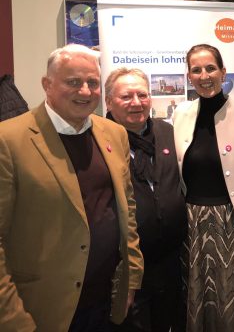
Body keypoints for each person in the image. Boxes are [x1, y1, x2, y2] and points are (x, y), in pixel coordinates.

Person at [0, 44, 143, 332]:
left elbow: (126, 210)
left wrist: (131, 278)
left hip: (106, 303)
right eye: (73, 82)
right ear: (47, 84)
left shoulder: (114, 133)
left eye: (92, 82)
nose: (85, 91)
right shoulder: (8, 141)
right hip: (40, 310)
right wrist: (13, 319)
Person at [173, 43, 234, 332]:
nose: (204, 76)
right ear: (189, 76)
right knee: (194, 299)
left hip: (231, 224)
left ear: (223, 72)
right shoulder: (180, 114)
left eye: (210, 68)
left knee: (231, 302)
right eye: (196, 70)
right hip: (190, 224)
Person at [105, 68, 186, 332]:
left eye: (142, 95)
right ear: (109, 102)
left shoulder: (167, 132)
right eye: (126, 96)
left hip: (170, 261)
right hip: (125, 265)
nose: (136, 102)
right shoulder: (99, 139)